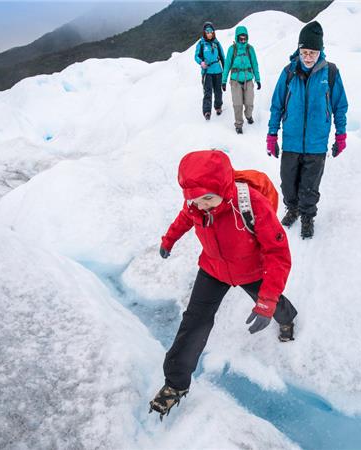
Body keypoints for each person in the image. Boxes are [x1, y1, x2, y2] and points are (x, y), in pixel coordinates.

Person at [149, 150, 298, 419]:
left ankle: (287, 319)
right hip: (213, 269)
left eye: (208, 198)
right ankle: (175, 384)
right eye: (194, 200)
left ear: (223, 187)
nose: (201, 205)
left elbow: (278, 254)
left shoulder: (251, 204)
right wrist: (168, 240)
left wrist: (266, 302)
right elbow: (185, 218)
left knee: (272, 302)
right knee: (194, 322)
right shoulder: (196, 204)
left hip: (250, 269)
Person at [266, 21, 348, 239]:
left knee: (310, 186)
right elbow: (277, 105)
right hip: (291, 141)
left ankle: (307, 217)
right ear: (298, 51)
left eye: (312, 52)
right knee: (288, 182)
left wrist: (341, 135)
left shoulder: (330, 73)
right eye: (304, 52)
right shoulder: (289, 72)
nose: (308, 57)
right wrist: (271, 134)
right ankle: (292, 209)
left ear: (319, 51)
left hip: (316, 143)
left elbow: (340, 106)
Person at [221, 25, 261, 135]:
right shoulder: (232, 49)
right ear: (237, 37)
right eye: (241, 38)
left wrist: (258, 79)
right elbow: (227, 66)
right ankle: (238, 124)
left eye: (244, 38)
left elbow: (255, 65)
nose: (243, 40)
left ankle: (248, 115)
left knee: (249, 103)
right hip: (235, 81)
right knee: (237, 104)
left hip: (248, 80)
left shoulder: (250, 49)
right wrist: (223, 81)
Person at [195, 22, 225, 120]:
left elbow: (222, 57)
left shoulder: (216, 43)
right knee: (207, 92)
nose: (209, 33)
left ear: (213, 32)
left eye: (211, 31)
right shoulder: (201, 44)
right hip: (207, 72)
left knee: (218, 91)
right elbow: (196, 56)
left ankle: (218, 106)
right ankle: (207, 111)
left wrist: (225, 70)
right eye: (207, 31)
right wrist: (201, 62)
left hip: (218, 70)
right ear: (204, 32)